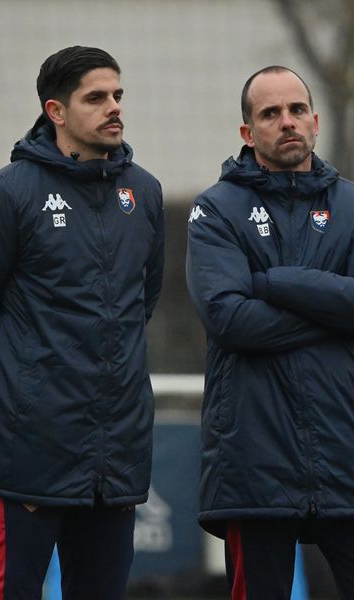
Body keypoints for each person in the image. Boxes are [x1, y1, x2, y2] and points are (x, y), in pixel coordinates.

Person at [0, 46, 164, 600]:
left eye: (117, 95)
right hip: (31, 448)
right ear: (56, 111)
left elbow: (142, 301)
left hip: (115, 452)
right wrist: (24, 381)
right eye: (96, 98)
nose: (113, 107)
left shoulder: (144, 192)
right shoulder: (7, 193)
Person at [186, 65, 354, 599]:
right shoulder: (216, 209)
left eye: (297, 110)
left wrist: (275, 282)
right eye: (271, 113)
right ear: (247, 132)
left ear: (316, 120)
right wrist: (331, 313)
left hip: (345, 449)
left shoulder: (352, 206)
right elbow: (230, 320)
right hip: (253, 462)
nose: (287, 122)